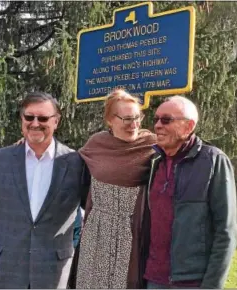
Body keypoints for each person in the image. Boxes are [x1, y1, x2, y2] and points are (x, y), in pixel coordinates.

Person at [0, 92, 90, 289]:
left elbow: (93, 210)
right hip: (4, 267)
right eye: (29, 117)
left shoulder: (76, 163)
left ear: (56, 121)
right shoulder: (0, 159)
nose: (35, 123)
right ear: (21, 119)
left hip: (53, 270)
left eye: (43, 118)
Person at [138, 96, 237, 289]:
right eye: (156, 119)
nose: (157, 125)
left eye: (166, 120)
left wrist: (211, 285)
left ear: (188, 126)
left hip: (191, 282)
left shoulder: (213, 161)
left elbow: (226, 231)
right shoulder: (154, 162)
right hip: (154, 278)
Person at [75, 89, 156, 289]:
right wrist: (29, 146)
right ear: (110, 120)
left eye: (138, 117)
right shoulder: (96, 143)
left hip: (133, 230)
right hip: (97, 231)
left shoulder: (152, 144)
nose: (135, 124)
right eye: (127, 119)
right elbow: (66, 162)